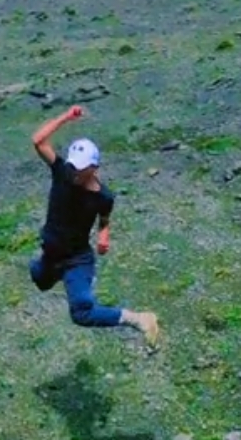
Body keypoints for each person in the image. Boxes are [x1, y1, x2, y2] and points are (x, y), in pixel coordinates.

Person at [28, 104, 159, 347]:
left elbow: (104, 219)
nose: (74, 171)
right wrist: (66, 117)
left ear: (94, 168)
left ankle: (139, 319)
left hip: (76, 259)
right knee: (38, 278)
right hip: (51, 253)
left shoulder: (103, 197)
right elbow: (38, 141)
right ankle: (60, 276)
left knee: (82, 313)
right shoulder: (62, 172)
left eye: (80, 168)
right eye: (73, 164)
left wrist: (104, 236)